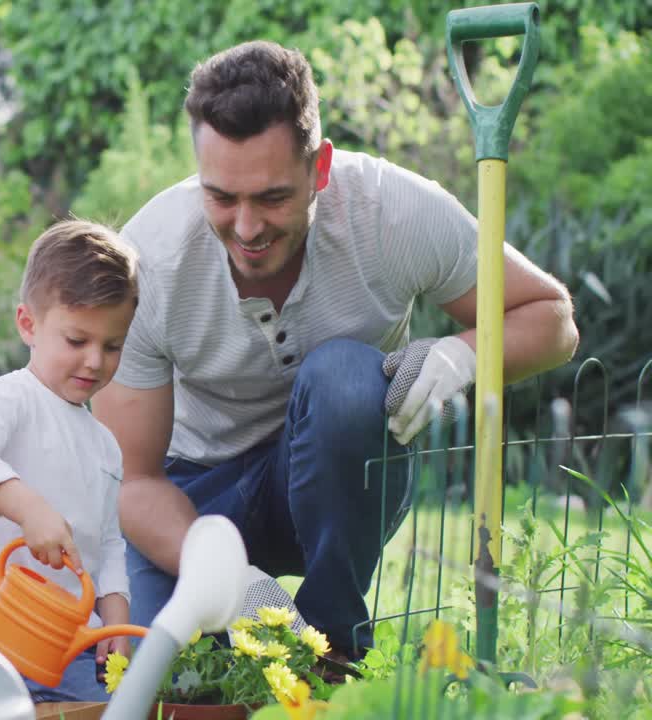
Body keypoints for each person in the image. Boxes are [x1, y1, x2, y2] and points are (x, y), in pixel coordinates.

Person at [90, 40, 579, 659]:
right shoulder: (151, 261)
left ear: (319, 167)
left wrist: (465, 353)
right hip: (195, 499)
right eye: (221, 197)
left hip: (339, 482)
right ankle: (238, 618)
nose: (246, 228)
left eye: (272, 197)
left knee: (347, 377)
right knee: (159, 671)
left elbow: (553, 318)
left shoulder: (392, 213)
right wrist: (224, 574)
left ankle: (332, 651)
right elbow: (134, 481)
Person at [0, 220, 140, 703]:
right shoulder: (13, 398)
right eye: (77, 341)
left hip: (76, 639)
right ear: (29, 324)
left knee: (140, 695)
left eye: (112, 346)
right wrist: (28, 508)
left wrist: (115, 621)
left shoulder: (103, 444)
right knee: (91, 704)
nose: (95, 360)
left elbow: (110, 543)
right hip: (7, 640)